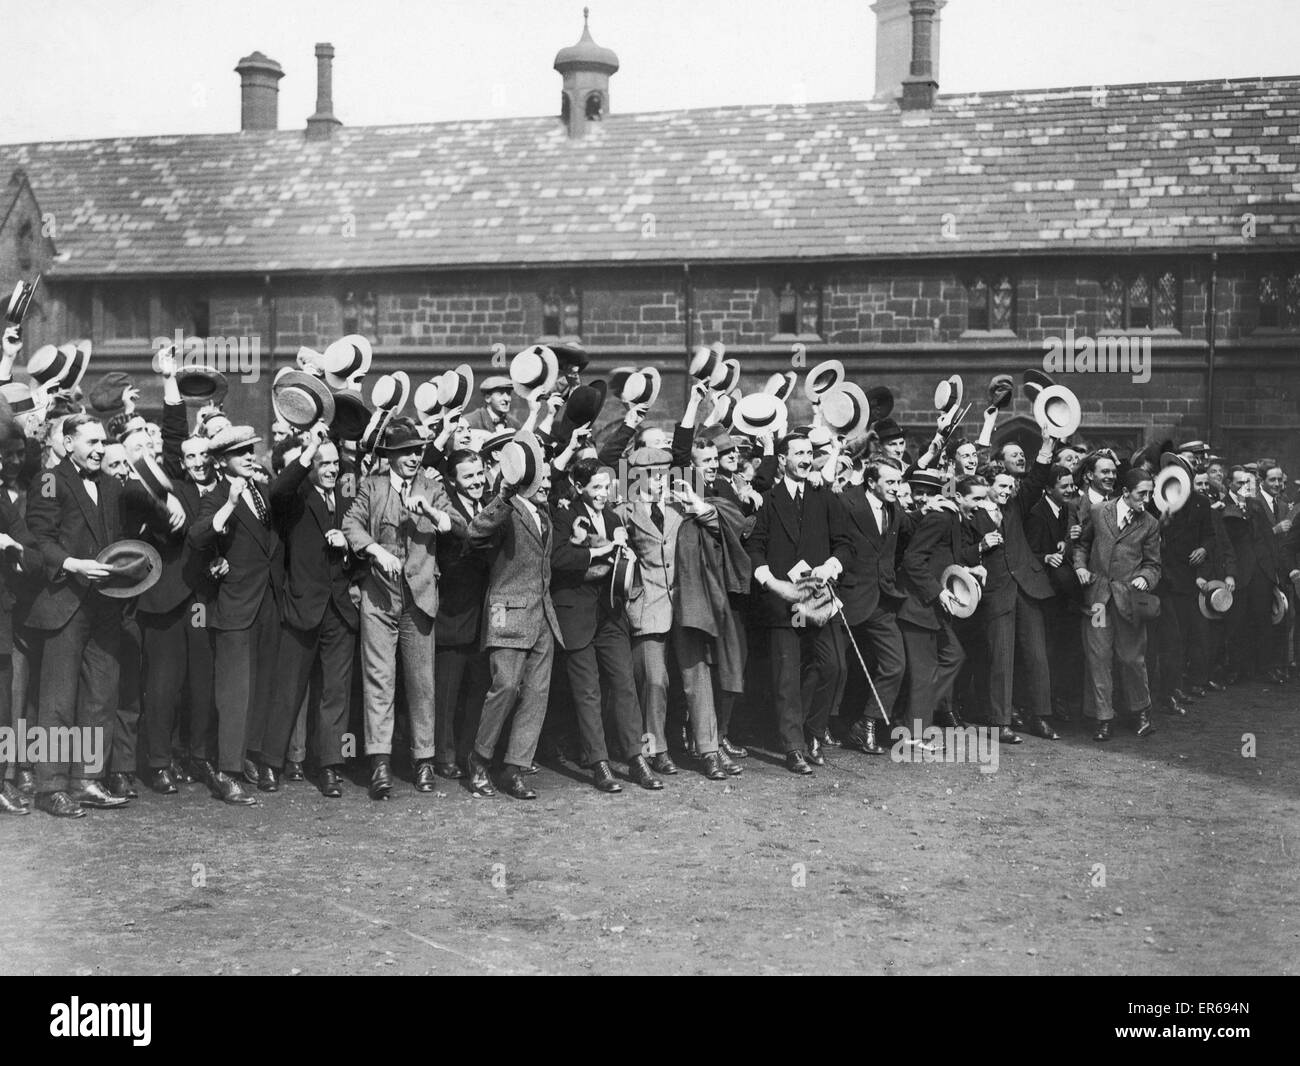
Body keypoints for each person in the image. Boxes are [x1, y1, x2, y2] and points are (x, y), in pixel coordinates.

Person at [23, 414, 169, 816]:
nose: (100, 449)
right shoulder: (51, 480)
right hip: (65, 604)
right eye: (91, 442)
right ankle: (50, 787)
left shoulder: (111, 483)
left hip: (105, 605)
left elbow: (153, 505)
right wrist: (73, 564)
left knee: (99, 697)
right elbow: (39, 539)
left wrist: (145, 463)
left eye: (103, 441)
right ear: (68, 443)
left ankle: (86, 779)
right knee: (57, 701)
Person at [342, 417, 465, 799]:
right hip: (379, 599)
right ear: (390, 456)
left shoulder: (432, 487)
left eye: (417, 450)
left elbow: (460, 525)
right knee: (379, 681)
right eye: (405, 452)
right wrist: (376, 551)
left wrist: (430, 512)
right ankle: (380, 763)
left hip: (421, 600)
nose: (413, 457)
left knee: (421, 683)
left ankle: (423, 760)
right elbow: (351, 524)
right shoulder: (372, 487)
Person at [188, 424, 287, 804]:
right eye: (240, 452)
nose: (249, 456)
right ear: (221, 462)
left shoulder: (263, 490)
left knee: (262, 687)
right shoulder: (215, 496)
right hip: (233, 606)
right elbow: (198, 538)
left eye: (251, 449)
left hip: (267, 602)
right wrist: (229, 503)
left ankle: (250, 756)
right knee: (234, 693)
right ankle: (227, 771)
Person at [746, 433, 852, 774]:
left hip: (818, 596)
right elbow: (756, 548)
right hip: (786, 603)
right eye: (799, 453)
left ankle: (812, 731)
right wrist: (773, 584)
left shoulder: (824, 497)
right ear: (782, 459)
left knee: (833, 665)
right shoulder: (769, 500)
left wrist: (830, 566)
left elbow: (844, 544)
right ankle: (793, 747)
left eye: (809, 453)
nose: (806, 459)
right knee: (787, 676)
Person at [550, 459, 658, 792]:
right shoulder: (564, 516)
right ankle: (598, 763)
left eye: (606, 486)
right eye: (595, 487)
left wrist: (625, 555)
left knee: (625, 685)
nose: (602, 493)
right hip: (576, 615)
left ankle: (636, 759)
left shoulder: (613, 518)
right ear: (580, 487)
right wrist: (600, 553)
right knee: (588, 692)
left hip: (610, 614)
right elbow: (557, 559)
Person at [466, 436, 561, 800]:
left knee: (536, 695)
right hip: (508, 615)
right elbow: (476, 533)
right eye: (544, 479)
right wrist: (502, 498)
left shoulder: (544, 513)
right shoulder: (507, 508)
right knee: (504, 687)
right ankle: (479, 758)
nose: (549, 485)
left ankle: (515, 769)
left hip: (542, 619)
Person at [266, 427, 359, 798]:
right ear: (311, 465)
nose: (333, 470)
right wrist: (310, 450)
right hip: (302, 606)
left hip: (339, 611)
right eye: (325, 463)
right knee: (288, 690)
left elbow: (359, 548)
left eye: (337, 464)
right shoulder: (297, 495)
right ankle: (272, 763)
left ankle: (331, 767)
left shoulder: (347, 499)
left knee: (335, 692)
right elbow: (278, 490)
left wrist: (348, 547)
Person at [1074, 468, 1162, 741]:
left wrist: (1145, 580)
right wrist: (1079, 566)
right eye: (1141, 493)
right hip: (1098, 599)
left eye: (1149, 494)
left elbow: (1153, 565)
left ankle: (1143, 712)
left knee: (1131, 658)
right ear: (1125, 492)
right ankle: (1103, 718)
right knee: (1098, 657)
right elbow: (1082, 544)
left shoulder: (1149, 523)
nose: (1145, 499)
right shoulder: (1099, 511)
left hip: (1128, 601)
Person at [836, 456, 908, 755]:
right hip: (846, 598)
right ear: (871, 482)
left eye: (898, 481)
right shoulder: (845, 503)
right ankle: (817, 728)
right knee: (833, 668)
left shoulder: (895, 508)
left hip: (882, 600)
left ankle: (866, 724)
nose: (896, 487)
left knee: (895, 664)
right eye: (890, 482)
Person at [432, 449, 492, 778]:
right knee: (447, 691)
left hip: (484, 616)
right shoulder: (448, 511)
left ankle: (470, 751)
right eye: (468, 476)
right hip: (453, 613)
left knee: (478, 688)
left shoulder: (490, 505)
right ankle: (444, 755)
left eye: (480, 473)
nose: (477, 481)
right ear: (454, 479)